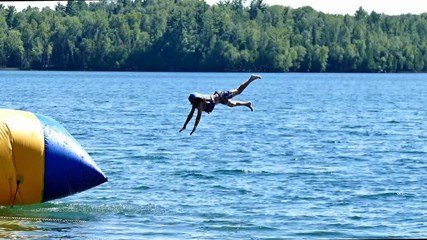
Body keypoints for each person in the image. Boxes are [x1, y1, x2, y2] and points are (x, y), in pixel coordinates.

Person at [179, 74, 261, 135]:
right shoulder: (195, 103)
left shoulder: (199, 102)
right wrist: (185, 125)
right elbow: (190, 114)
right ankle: (247, 104)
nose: (192, 104)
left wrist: (194, 127)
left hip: (222, 96)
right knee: (232, 105)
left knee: (239, 91)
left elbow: (198, 116)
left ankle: (251, 78)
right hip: (220, 100)